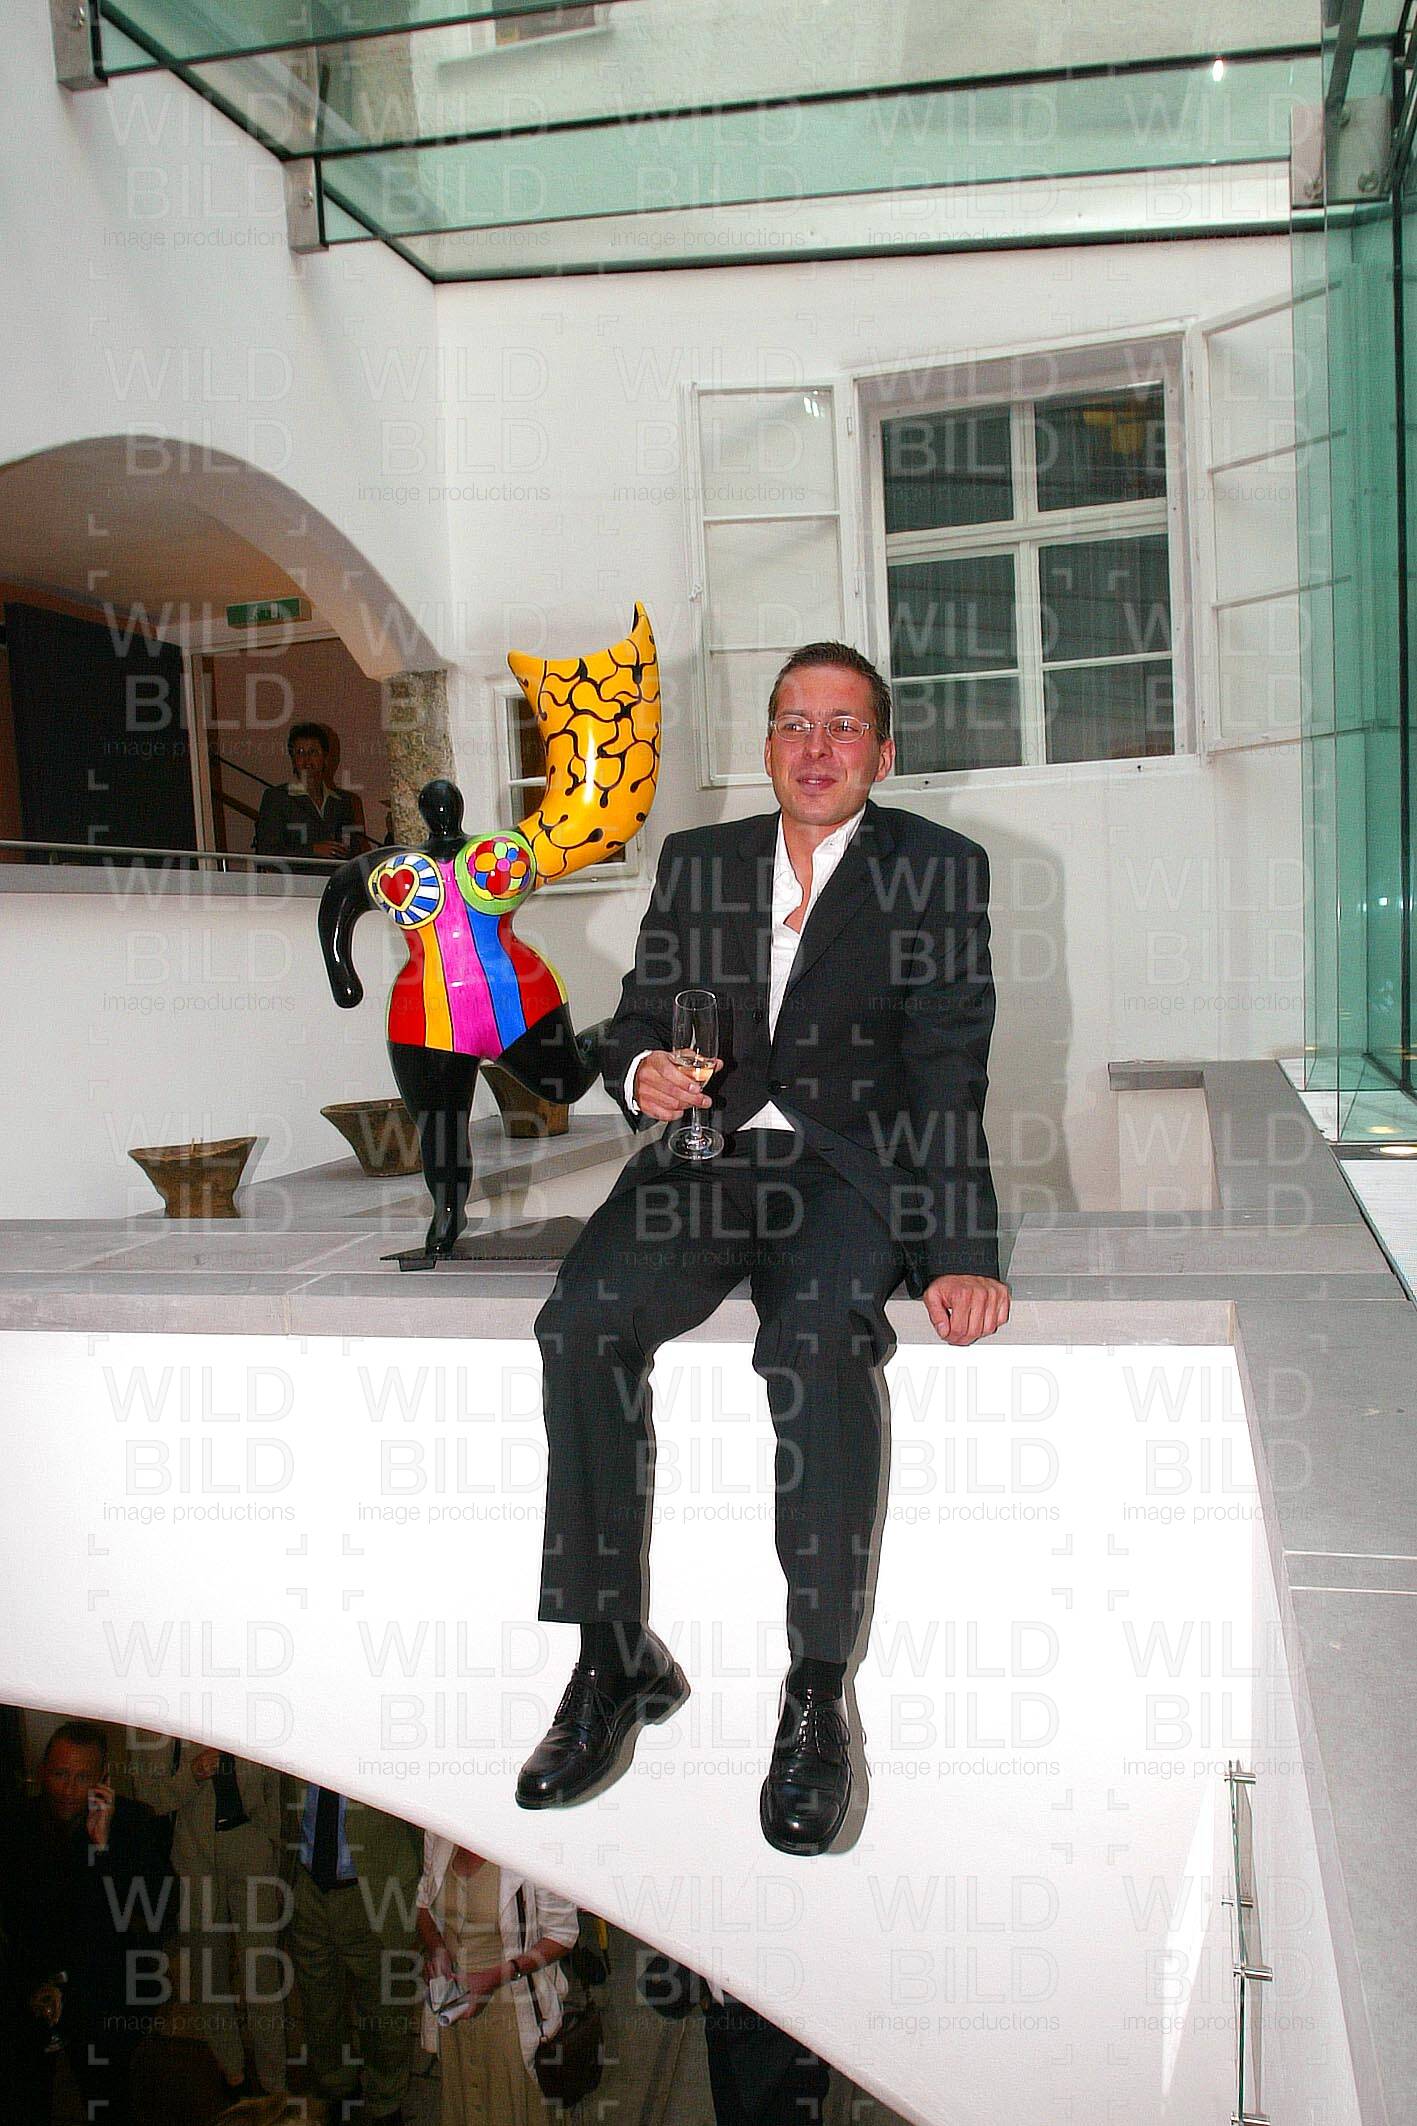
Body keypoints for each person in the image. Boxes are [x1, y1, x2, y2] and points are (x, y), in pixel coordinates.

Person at [518, 641, 1010, 1855]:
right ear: (767, 744)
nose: (815, 746)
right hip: (704, 1161)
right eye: (794, 722)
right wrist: (642, 1067)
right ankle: (611, 1654)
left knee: (813, 1340)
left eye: (843, 726)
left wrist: (960, 1244)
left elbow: (948, 1068)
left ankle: (815, 1690)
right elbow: (637, 1015)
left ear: (882, 752)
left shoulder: (937, 868)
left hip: (849, 1172)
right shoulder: (701, 860)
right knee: (579, 1319)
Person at [0, 1720, 171, 2126]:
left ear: (103, 1779)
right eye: (59, 1774)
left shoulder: (134, 1824)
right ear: (43, 1771)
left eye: (81, 1778)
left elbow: (157, 1917)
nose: (67, 1789)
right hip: (33, 1987)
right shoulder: (19, 1823)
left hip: (105, 1993)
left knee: (106, 2099)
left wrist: (104, 1850)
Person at [131, 1734, 287, 2098]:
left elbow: (274, 1787)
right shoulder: (165, 1717)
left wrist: (273, 1845)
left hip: (251, 1846)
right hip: (194, 1854)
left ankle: (275, 2085)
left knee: (262, 1973)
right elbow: (148, 1797)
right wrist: (192, 1774)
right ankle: (232, 2072)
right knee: (207, 1972)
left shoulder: (252, 1711)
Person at [282, 1780, 421, 2125]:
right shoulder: (302, 1746)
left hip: (374, 1893)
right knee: (319, 2008)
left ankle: (385, 2101)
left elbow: (423, 1824)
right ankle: (337, 2089)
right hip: (308, 1887)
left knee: (384, 2013)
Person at [415, 1837, 577, 2125]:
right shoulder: (439, 1829)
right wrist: (437, 1948)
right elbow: (424, 1903)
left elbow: (562, 1935)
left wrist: (495, 1977)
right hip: (455, 2010)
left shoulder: (537, 1843)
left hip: (511, 2014)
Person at [253, 723, 371, 864]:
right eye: (300, 752)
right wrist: (313, 850)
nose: (307, 759)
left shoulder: (343, 801)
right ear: (293, 759)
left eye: (313, 752)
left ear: (325, 758)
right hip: (295, 878)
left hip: (337, 876)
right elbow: (267, 853)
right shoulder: (277, 798)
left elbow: (355, 850)